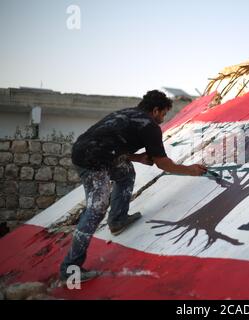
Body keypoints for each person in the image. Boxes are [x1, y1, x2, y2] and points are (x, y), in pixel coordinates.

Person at [60, 90, 207, 282]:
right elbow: (163, 163)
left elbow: (111, 144)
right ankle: (70, 270)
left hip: (85, 150)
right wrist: (190, 170)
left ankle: (118, 220)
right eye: (163, 114)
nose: (162, 119)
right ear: (155, 110)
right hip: (92, 161)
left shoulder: (126, 114)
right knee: (97, 208)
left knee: (125, 173)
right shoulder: (149, 125)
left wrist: (137, 157)